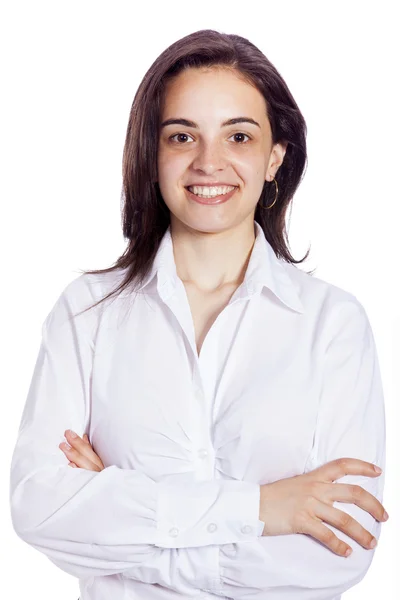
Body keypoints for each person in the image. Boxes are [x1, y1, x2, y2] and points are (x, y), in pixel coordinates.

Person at [9, 29, 388, 600]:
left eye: (239, 135)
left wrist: (117, 516)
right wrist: (260, 508)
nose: (209, 162)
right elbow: (38, 508)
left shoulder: (333, 325)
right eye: (182, 136)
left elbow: (340, 553)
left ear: (274, 158)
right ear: (153, 155)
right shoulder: (86, 312)